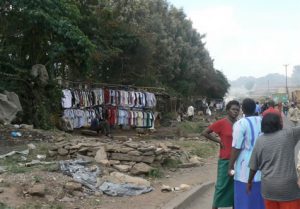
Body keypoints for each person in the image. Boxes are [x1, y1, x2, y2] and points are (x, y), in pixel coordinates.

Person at [248, 113, 300, 209]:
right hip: (288, 189)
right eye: (280, 121)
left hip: (268, 188)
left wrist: (249, 182)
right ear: (277, 123)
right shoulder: (288, 135)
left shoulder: (260, 140)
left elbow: (253, 166)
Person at [202, 100, 240, 209]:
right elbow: (205, 132)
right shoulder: (221, 123)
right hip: (225, 160)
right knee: (221, 186)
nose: (235, 112)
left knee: (235, 186)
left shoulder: (239, 124)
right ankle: (215, 207)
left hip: (237, 160)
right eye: (233, 109)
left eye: (237, 110)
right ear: (228, 110)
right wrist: (218, 141)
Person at [228, 98, 265, 209]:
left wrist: (230, 167)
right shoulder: (263, 120)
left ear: (242, 109)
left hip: (245, 165)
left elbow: (236, 147)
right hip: (263, 162)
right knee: (260, 197)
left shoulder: (240, 124)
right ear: (255, 108)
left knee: (245, 196)